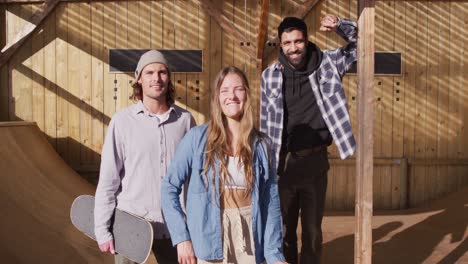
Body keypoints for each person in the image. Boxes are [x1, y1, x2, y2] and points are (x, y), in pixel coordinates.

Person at [161, 66, 287, 264]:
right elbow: (168, 188)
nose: (232, 96)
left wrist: (275, 255)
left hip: (250, 238)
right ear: (217, 98)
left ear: (246, 94)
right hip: (208, 237)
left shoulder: (263, 144)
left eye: (238, 89)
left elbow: (270, 203)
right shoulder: (196, 139)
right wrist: (182, 238)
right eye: (225, 90)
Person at [259, 15, 358, 264]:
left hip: (315, 162)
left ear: (307, 40)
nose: (294, 48)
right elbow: (266, 123)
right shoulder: (269, 76)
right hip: (283, 165)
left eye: (298, 41)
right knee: (283, 233)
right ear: (280, 45)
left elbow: (362, 45)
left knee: (313, 233)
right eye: (287, 43)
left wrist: (339, 26)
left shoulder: (329, 63)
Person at [94, 50, 195, 264]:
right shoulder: (122, 122)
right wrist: (102, 229)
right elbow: (108, 180)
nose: (156, 79)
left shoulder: (185, 121)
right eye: (149, 72)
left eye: (162, 72)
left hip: (174, 227)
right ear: (138, 78)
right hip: (130, 223)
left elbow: (195, 180)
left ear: (169, 77)